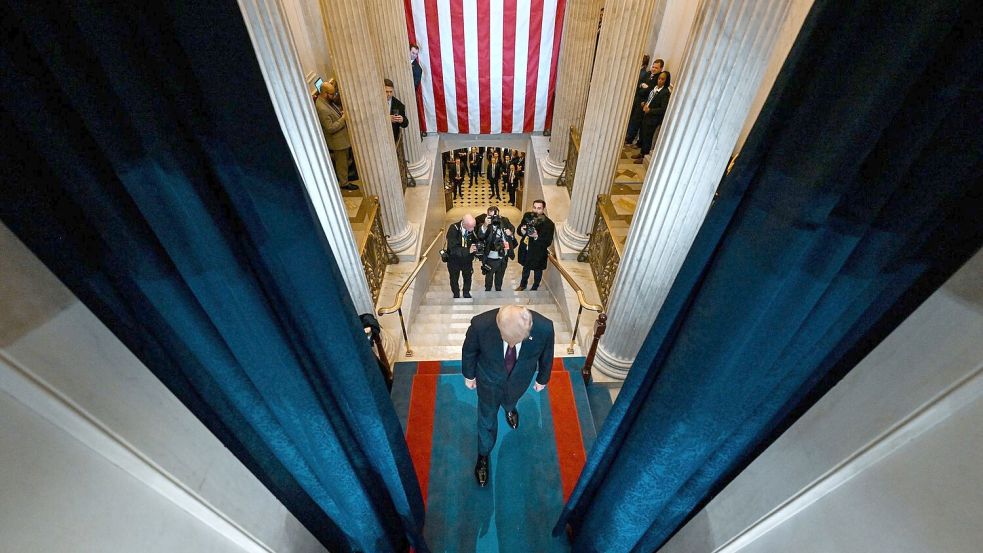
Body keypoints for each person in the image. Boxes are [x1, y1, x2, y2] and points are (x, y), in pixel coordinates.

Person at [462, 305, 554, 487]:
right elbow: (470, 350)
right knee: (486, 418)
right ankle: (483, 454)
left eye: (517, 341)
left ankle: (509, 408)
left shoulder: (545, 327)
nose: (511, 345)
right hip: (488, 381)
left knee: (511, 401)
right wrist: (469, 375)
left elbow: (546, 355)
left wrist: (543, 379)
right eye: (507, 340)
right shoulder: (480, 324)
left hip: (519, 381)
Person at [315, 78, 359, 191]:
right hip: (337, 142)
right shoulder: (321, 108)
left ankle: (345, 177)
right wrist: (343, 119)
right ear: (324, 93)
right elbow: (330, 128)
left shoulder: (327, 102)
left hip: (342, 138)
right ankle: (344, 183)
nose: (334, 96)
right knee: (341, 163)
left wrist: (340, 114)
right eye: (331, 94)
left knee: (344, 162)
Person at [516, 199, 555, 291]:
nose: (536, 210)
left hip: (538, 252)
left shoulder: (549, 224)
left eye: (539, 208)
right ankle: (522, 285)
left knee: (538, 271)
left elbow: (548, 242)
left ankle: (535, 287)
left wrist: (536, 236)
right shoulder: (527, 216)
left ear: (543, 209)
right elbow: (519, 230)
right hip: (526, 249)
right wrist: (522, 230)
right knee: (525, 269)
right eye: (534, 207)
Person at [475, 206, 516, 291]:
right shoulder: (484, 224)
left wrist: (511, 233)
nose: (494, 219)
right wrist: (485, 225)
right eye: (491, 216)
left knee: (500, 275)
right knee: (489, 276)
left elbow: (512, 229)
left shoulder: (505, 220)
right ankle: (488, 289)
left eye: (496, 216)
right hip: (491, 257)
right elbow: (481, 236)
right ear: (487, 215)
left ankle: (498, 289)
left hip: (503, 256)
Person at [634, 70, 671, 163]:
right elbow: (650, 99)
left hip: (653, 119)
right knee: (643, 134)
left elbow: (663, 109)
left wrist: (650, 110)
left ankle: (644, 156)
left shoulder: (665, 92)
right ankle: (641, 153)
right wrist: (645, 103)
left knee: (648, 137)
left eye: (662, 79)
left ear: (666, 81)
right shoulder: (655, 88)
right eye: (659, 78)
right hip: (646, 115)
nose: (660, 81)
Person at [626, 59, 664, 145]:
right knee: (631, 117)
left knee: (637, 120)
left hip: (644, 102)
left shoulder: (658, 78)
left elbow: (650, 90)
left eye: (656, 68)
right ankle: (628, 135)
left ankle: (630, 139)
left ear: (661, 69)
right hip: (638, 98)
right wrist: (642, 86)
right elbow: (639, 83)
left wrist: (645, 88)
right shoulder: (647, 74)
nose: (653, 69)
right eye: (653, 66)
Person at [446, 214, 478, 298]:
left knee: (468, 277)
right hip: (454, 261)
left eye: (473, 226)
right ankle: (456, 293)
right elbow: (453, 249)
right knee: (454, 279)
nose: (473, 229)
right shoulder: (453, 229)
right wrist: (468, 250)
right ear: (463, 224)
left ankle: (466, 292)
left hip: (467, 260)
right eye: (471, 227)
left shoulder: (472, 228)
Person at [384, 78, 408, 143]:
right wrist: (386, 119)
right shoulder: (376, 103)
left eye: (390, 92)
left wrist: (402, 120)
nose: (389, 94)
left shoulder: (399, 105)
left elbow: (405, 123)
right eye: (386, 91)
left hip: (393, 137)